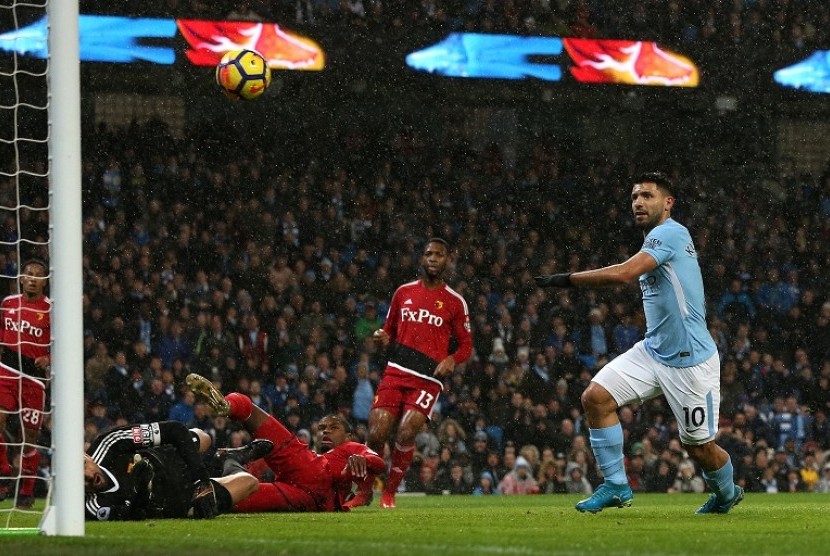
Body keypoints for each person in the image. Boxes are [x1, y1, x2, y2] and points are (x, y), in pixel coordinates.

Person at [534, 172, 743, 515]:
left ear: (668, 203)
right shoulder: (655, 239)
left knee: (699, 448)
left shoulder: (671, 233)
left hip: (690, 361)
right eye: (635, 197)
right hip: (653, 351)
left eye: (647, 196)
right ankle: (616, 485)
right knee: (596, 398)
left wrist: (567, 280)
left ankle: (726, 493)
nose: (638, 203)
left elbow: (624, 274)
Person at [360, 237, 473, 508]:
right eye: (428, 253)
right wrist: (382, 336)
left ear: (448, 260)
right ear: (422, 259)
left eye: (439, 255)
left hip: (427, 379)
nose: (433, 258)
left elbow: (467, 345)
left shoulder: (455, 302)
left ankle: (389, 492)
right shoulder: (403, 292)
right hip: (396, 370)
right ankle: (364, 492)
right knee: (376, 433)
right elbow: (389, 329)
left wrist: (452, 359)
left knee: (406, 433)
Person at [186, 372, 385, 512]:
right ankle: (186, 495)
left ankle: (231, 407)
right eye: (323, 428)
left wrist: (364, 459)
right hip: (303, 496)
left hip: (312, 472)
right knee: (233, 497)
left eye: (334, 428)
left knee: (250, 412)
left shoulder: (351, 448)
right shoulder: (329, 456)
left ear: (349, 436)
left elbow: (379, 463)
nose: (326, 432)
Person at [84, 419, 265, 520]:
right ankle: (231, 459)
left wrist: (201, 482)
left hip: (166, 459)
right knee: (249, 482)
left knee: (204, 437)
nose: (88, 476)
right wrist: (139, 493)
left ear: (87, 457)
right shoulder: (91, 507)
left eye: (84, 466)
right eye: (80, 480)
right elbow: (132, 516)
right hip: (176, 501)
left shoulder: (109, 443)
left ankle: (209, 473)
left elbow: (175, 429)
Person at [0, 259, 51, 508]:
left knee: (29, 437)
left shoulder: (51, 309)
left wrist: (48, 357)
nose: (32, 278)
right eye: (28, 274)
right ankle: (4, 472)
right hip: (7, 370)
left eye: (37, 275)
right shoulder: (8, 304)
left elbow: (63, 340)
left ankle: (27, 491)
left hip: (33, 379)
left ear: (45, 281)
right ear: (21, 278)